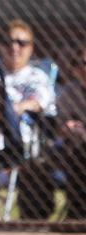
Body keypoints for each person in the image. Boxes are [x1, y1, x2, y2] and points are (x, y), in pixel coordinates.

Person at [0, 19, 58, 219]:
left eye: (21, 43)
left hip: (20, 141)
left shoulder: (37, 76)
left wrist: (14, 108)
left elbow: (39, 102)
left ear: (31, 47)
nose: (14, 48)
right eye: (8, 42)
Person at [53, 45, 86, 219]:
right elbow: (58, 129)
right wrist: (67, 128)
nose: (83, 68)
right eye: (79, 64)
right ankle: (77, 217)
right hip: (74, 150)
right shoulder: (68, 93)